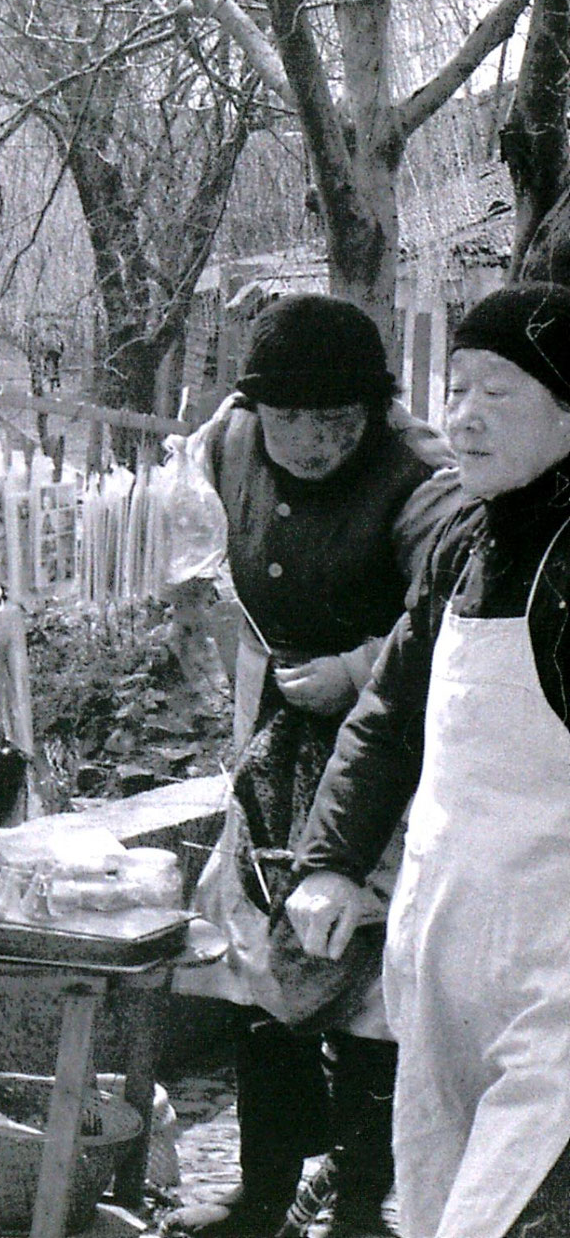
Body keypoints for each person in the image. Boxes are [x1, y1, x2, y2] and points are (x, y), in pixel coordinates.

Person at [169, 293, 462, 1238]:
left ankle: (363, 1200)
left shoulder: (425, 483)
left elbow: (460, 626)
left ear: (371, 410)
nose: (305, 443)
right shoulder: (229, 440)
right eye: (286, 419)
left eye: (330, 422)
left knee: (367, 980)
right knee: (259, 964)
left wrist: (356, 667)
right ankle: (262, 1192)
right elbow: (179, 517)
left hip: (393, 752)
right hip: (274, 747)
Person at [288, 283, 570, 1238]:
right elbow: (390, 715)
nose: (466, 416)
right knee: (438, 1205)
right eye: (456, 390)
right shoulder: (464, 542)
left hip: (555, 978)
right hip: (442, 962)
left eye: (500, 389)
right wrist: (328, 860)